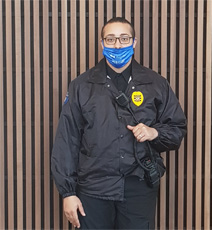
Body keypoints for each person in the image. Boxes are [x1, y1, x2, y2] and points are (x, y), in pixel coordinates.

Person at [51, 17, 186, 229]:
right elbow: (67, 141)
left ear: (134, 42)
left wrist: (154, 133)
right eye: (110, 39)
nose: (117, 45)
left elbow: (177, 130)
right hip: (93, 189)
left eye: (124, 38)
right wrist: (67, 192)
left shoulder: (155, 83)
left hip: (139, 187)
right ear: (102, 43)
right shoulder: (82, 86)